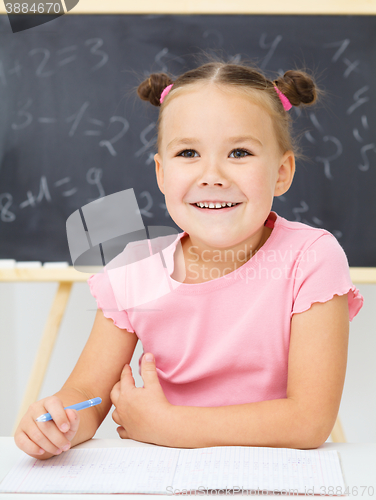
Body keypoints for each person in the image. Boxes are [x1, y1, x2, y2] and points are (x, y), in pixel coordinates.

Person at [14, 57, 364, 459]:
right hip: (165, 474)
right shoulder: (134, 268)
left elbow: (309, 421)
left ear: (282, 172)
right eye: (188, 153)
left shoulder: (311, 258)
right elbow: (86, 397)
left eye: (239, 152)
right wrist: (57, 423)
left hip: (273, 474)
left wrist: (169, 426)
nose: (212, 174)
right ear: (162, 174)